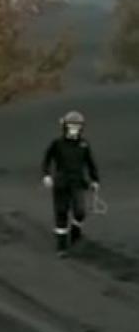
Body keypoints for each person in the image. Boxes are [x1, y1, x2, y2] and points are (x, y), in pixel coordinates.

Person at [41, 110, 101, 257]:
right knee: (61, 213)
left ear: (81, 127)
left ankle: (75, 231)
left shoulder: (84, 145)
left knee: (80, 211)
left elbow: (90, 163)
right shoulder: (57, 144)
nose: (74, 128)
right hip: (61, 184)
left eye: (77, 125)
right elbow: (46, 160)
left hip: (78, 183)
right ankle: (61, 248)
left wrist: (95, 180)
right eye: (71, 125)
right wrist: (46, 175)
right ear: (65, 126)